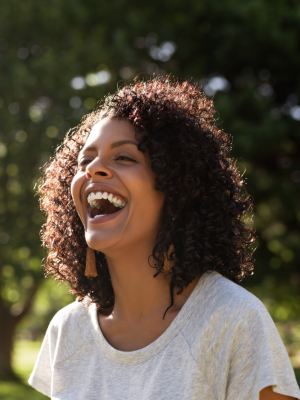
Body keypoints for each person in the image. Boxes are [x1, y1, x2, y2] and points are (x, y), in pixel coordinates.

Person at [29, 76, 300, 399]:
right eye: (84, 161)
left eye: (124, 157)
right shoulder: (67, 330)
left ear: (176, 189)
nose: (93, 170)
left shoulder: (233, 319)